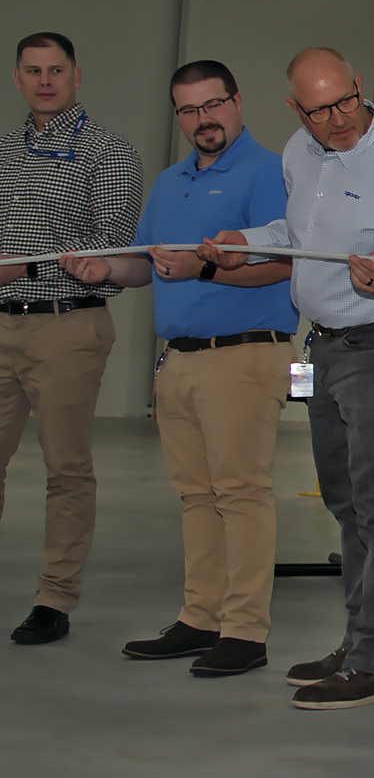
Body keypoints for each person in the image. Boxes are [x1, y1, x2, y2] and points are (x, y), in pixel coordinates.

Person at [203, 47, 374, 709]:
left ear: (360, 87)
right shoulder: (300, 151)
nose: (337, 119)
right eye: (318, 110)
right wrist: (250, 240)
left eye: (345, 101)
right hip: (321, 350)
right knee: (345, 500)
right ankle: (359, 639)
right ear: (297, 110)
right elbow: (299, 232)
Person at [61, 60, 296, 677]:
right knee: (196, 495)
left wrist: (208, 269)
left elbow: (290, 262)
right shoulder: (168, 183)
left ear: (237, 103)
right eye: (189, 110)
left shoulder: (269, 171)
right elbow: (147, 264)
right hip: (180, 360)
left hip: (243, 354)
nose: (203, 120)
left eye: (213, 106)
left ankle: (244, 631)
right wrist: (104, 270)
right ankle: (201, 616)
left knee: (241, 494)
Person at [0, 32, 143, 646]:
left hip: (67, 323)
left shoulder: (108, 153)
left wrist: (27, 268)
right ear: (18, 79)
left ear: (76, 76)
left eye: (56, 69)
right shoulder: (4, 152)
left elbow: (112, 246)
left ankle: (54, 598)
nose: (45, 80)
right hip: (1, 323)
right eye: (33, 70)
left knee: (65, 468)